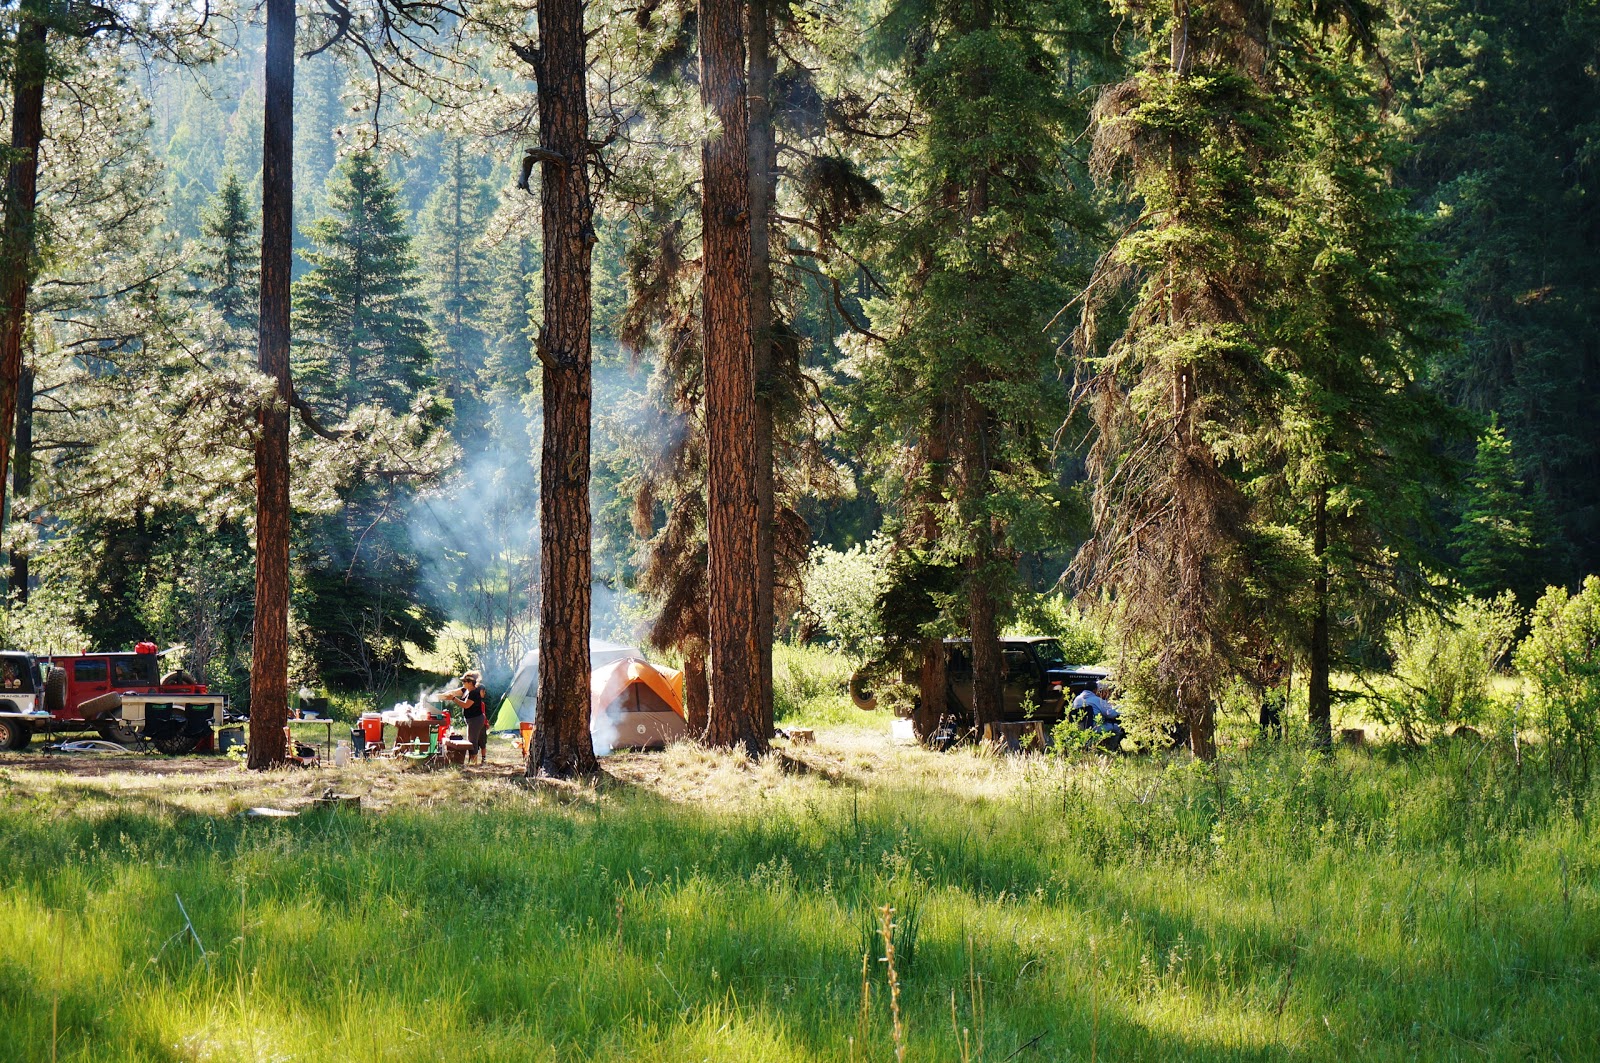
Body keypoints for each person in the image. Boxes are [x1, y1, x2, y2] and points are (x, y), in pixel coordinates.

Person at [446, 672, 488, 765]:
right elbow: (456, 691)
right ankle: (472, 761)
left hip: (475, 719)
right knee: (473, 740)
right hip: (472, 719)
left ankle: (473, 762)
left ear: (470, 682)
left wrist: (453, 699)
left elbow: (466, 705)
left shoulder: (474, 693)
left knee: (472, 741)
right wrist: (446, 694)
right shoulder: (467, 690)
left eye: (464, 681)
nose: (463, 683)